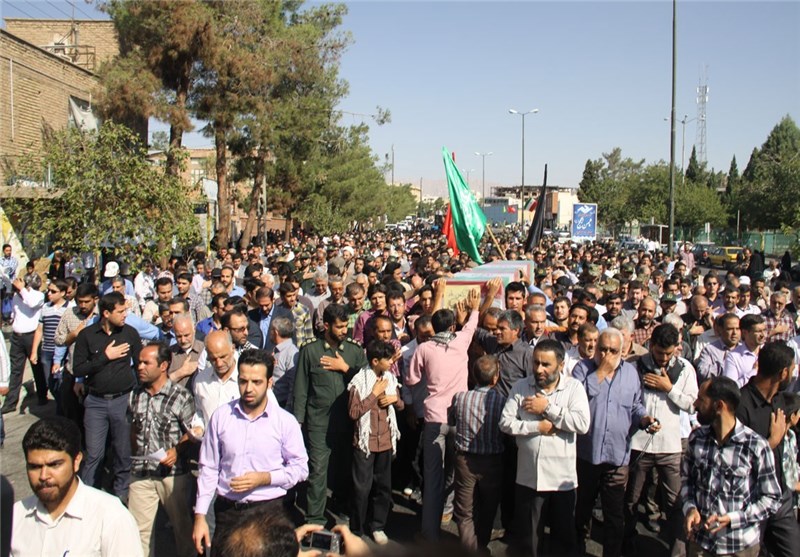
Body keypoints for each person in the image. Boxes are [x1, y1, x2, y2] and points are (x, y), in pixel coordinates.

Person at [193, 349, 308, 553]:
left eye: (256, 382)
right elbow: (209, 467)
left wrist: (265, 478)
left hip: (268, 511)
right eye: (243, 381)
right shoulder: (221, 417)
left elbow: (300, 469)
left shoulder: (285, 422)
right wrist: (200, 515)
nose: (248, 389)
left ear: (269, 383)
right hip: (228, 512)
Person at [572, 328, 659, 557]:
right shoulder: (582, 369)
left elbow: (635, 405)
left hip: (617, 456)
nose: (607, 355)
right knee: (582, 509)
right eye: (602, 349)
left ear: (622, 351)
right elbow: (577, 399)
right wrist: (601, 372)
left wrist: (645, 419)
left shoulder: (631, 373)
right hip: (587, 454)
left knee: (614, 514)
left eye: (613, 351)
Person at [499, 340, 590, 557]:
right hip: (529, 478)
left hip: (561, 480)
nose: (539, 369)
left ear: (561, 365)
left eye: (546, 364)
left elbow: (582, 424)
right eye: (536, 363)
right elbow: (505, 422)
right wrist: (536, 427)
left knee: (562, 540)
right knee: (529, 540)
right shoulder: (521, 387)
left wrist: (548, 408)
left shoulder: (574, 388)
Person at [407, 288, 480, 540]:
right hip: (458, 419)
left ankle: (430, 532)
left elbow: (411, 379)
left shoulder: (424, 349)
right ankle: (448, 512)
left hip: (433, 419)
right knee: (454, 472)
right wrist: (474, 307)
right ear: (451, 327)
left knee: (433, 476)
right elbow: (471, 324)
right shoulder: (461, 341)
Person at [11, 417, 142, 556]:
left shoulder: (111, 517)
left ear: (76, 461)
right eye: (35, 467)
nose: (43, 476)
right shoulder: (15, 516)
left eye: (54, 465)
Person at [682, 376, 782, 557]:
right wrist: (690, 508)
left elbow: (771, 498)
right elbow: (687, 481)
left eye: (701, 400)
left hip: (739, 547)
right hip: (701, 543)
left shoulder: (755, 446)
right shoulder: (697, 439)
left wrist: (733, 519)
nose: (695, 404)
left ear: (719, 406)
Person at [624, 324, 699, 551]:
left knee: (675, 502)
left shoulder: (685, 369)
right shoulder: (634, 366)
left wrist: (669, 388)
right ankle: (626, 544)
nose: (664, 358)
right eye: (659, 353)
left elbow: (692, 405)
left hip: (670, 446)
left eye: (669, 353)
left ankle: (678, 551)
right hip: (639, 444)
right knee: (631, 499)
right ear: (651, 346)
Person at [293, 303, 368, 525]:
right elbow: (301, 388)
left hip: (348, 421)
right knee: (318, 470)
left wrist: (345, 368)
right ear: (326, 326)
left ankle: (342, 504)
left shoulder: (354, 351)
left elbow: (367, 382)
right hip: (319, 422)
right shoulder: (310, 351)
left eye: (346, 326)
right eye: (339, 327)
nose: (344, 330)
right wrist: (298, 421)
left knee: (345, 468)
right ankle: (315, 519)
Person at [72, 291, 143, 500]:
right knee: (94, 454)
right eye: (120, 311)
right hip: (96, 403)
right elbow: (78, 369)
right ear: (106, 313)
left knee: (122, 453)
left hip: (123, 401)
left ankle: (121, 497)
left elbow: (141, 364)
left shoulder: (129, 333)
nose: (124, 315)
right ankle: (88, 497)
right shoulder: (87, 336)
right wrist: (105, 357)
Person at [128, 344, 196, 557]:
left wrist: (177, 450)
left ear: (164, 366)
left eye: (146, 363)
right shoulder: (135, 395)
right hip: (141, 472)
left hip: (172, 475)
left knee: (182, 529)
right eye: (139, 362)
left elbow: (193, 432)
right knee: (138, 531)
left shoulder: (180, 396)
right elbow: (133, 428)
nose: (140, 367)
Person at [735, 342, 800, 557]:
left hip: (781, 497)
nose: (794, 374)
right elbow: (735, 458)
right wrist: (770, 442)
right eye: (792, 369)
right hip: (751, 500)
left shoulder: (779, 399)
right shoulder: (741, 405)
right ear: (783, 373)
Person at [347, 339, 404, 544]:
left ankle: (378, 526)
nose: (391, 362)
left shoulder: (390, 378)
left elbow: (401, 405)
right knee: (361, 489)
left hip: (385, 442)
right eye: (387, 359)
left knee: (383, 488)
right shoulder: (359, 382)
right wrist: (374, 394)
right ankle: (356, 530)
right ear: (375, 361)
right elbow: (354, 412)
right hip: (365, 443)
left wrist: (395, 400)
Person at [449, 355, 506, 552]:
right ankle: (481, 545)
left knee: (464, 511)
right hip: (492, 461)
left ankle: (469, 550)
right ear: (495, 378)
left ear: (473, 376)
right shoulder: (501, 401)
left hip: (465, 460)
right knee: (489, 506)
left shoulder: (460, 398)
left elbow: (452, 420)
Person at [1, 273, 45, 413]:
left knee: (37, 367)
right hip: (17, 337)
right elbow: (14, 313)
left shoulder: (37, 296)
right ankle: (10, 402)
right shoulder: (16, 296)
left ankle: (42, 396)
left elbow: (32, 303)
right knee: (15, 370)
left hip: (31, 336)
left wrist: (22, 290)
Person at [722, 314, 766, 387]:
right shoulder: (733, 357)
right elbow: (730, 388)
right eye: (758, 331)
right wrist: (753, 373)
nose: (763, 335)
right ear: (745, 333)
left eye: (764, 330)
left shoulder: (769, 352)